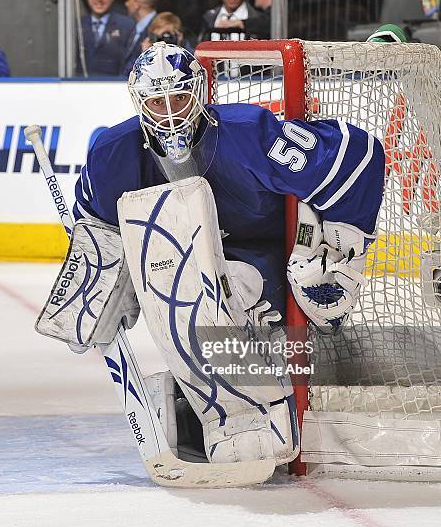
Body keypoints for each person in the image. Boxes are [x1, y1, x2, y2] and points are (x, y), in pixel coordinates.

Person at [74, 42, 384, 324]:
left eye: (180, 97)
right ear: (139, 102)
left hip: (267, 249)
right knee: (190, 296)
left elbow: (358, 156)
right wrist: (99, 292)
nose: (170, 114)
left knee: (235, 295)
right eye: (157, 102)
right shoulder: (112, 153)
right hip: (185, 260)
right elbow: (94, 229)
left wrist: (342, 251)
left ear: (198, 93)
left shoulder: (248, 133)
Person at [77, 0, 134, 77]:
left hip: (115, 86)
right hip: (80, 86)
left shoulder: (127, 25)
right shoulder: (77, 26)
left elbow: (130, 62)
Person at [121, 0, 158, 76]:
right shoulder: (132, 29)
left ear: (136, 5)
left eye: (128, 0)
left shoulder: (159, 29)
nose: (126, 4)